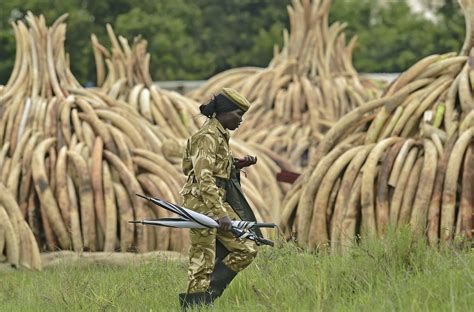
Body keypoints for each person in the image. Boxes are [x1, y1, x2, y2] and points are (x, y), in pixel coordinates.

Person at [178, 88, 260, 309]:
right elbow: (204, 178)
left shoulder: (219, 135)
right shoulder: (206, 137)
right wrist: (221, 214)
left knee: (247, 247)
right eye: (237, 113)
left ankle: (206, 297)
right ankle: (195, 304)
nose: (240, 120)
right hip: (202, 202)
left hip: (216, 199)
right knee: (202, 257)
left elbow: (213, 168)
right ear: (223, 112)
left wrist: (236, 164)